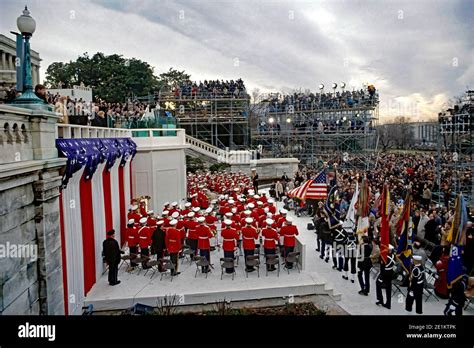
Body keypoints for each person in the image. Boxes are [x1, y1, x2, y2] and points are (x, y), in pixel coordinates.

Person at [376, 245, 395, 309]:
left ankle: (380, 300)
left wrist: (381, 276)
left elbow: (382, 266)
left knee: (378, 284)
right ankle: (388, 304)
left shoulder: (384, 257)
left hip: (384, 274)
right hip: (390, 273)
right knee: (388, 289)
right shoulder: (394, 256)